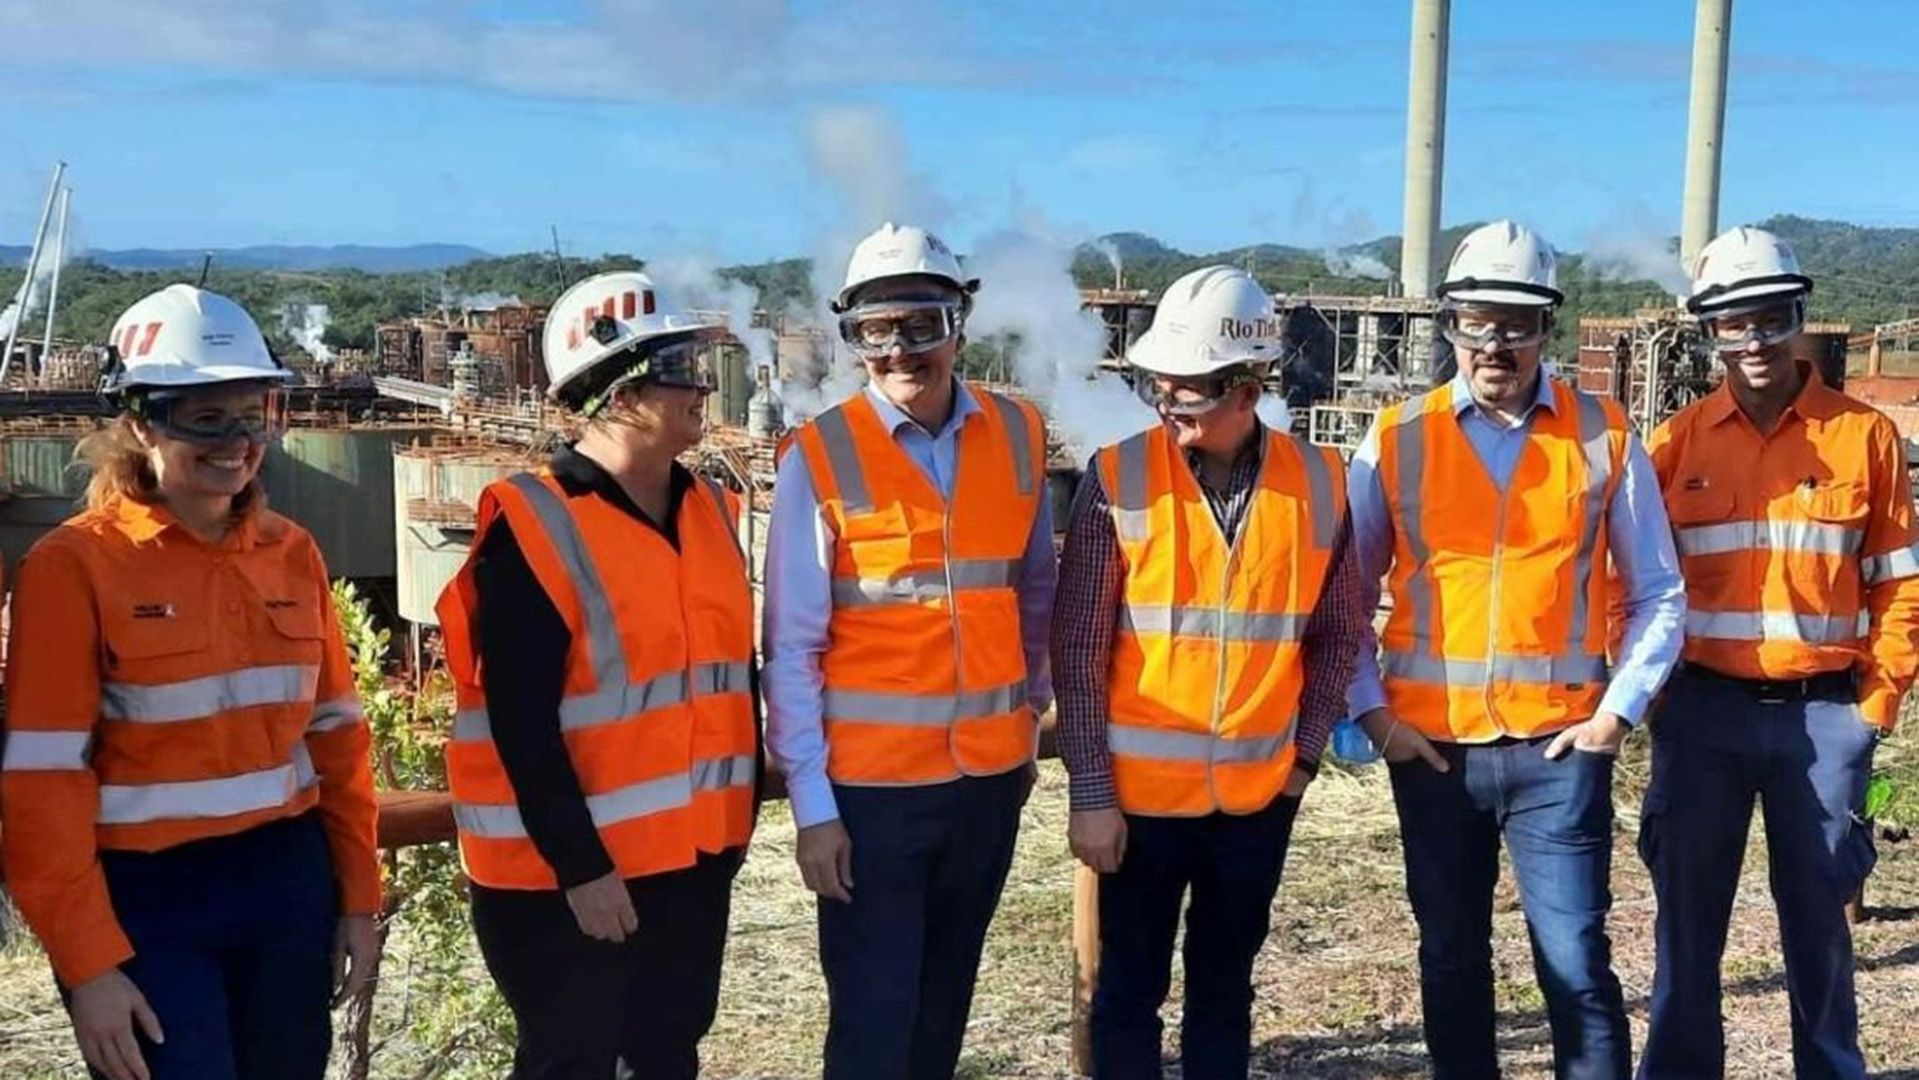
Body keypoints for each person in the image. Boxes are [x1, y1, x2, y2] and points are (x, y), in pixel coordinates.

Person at [0, 284, 380, 1080]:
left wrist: (357, 897)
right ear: (140, 422)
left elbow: (337, 741)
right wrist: (89, 967)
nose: (236, 442)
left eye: (256, 414)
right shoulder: (75, 567)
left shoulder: (292, 552)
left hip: (284, 881)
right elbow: (41, 780)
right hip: (150, 899)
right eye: (204, 417)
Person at [1347, 221, 1687, 1079]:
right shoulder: (1395, 438)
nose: (1494, 344)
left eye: (1517, 324)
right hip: (1433, 749)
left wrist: (1617, 714)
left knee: (1573, 962)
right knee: (1450, 957)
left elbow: (1657, 591)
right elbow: (1338, 599)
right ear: (1449, 326)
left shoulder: (1602, 434)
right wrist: (1374, 716)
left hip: (1558, 747)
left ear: (1548, 329)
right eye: (1476, 322)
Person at [438, 271, 759, 1079]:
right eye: (680, 367)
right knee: (570, 1062)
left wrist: (729, 832)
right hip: (565, 884)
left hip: (689, 862)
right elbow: (521, 721)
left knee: (666, 1055)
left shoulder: (708, 511)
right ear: (620, 395)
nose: (701, 387)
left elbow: (722, 684)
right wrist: (582, 869)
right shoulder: (536, 527)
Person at [1054, 265, 1366, 1079]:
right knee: (1128, 995)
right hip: (1139, 806)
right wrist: (1090, 791)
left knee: (1224, 992)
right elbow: (1078, 654)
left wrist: (1299, 761)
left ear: (1245, 387)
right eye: (1161, 389)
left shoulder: (1321, 483)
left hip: (1255, 802)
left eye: (1188, 393)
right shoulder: (1114, 480)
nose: (1170, 410)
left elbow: (1336, 636)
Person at [763, 222, 1056, 1079]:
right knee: (871, 1021)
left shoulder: (1019, 434)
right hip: (872, 798)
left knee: (943, 1007)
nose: (901, 352)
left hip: (986, 784)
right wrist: (813, 808)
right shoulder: (816, 458)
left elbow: (1032, 589)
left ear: (959, 324)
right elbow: (790, 647)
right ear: (853, 339)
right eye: (876, 331)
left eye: (921, 325)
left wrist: (1025, 720)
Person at [1638, 226, 1919, 1079]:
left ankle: (1829, 1069)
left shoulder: (1862, 437)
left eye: (1769, 319)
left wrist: (1875, 703)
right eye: (1732, 324)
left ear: (1797, 317)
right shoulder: (1674, 445)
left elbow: (1900, 581)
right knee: (1686, 924)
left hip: (1824, 715)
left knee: (1819, 924)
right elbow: (1636, 588)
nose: (1753, 341)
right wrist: (1656, 701)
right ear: (1707, 332)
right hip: (1700, 716)